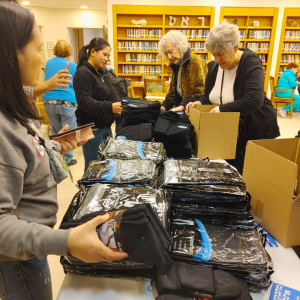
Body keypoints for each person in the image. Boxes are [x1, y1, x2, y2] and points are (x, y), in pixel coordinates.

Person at [0, 3, 127, 300]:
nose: (42, 62)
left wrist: (53, 145)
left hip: (29, 248)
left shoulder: (13, 109)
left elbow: (22, 156)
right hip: (19, 257)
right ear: (10, 56)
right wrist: (66, 241)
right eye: (35, 48)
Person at [186, 20, 280, 175]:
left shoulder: (250, 62)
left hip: (254, 129)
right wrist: (199, 102)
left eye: (221, 54)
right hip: (228, 131)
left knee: (247, 175)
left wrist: (219, 110)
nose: (217, 59)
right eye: (214, 54)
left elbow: (254, 99)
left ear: (235, 47)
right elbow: (210, 97)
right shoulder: (215, 67)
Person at [74, 38, 123, 171]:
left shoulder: (102, 72)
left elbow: (112, 92)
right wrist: (110, 107)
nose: (107, 59)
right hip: (92, 129)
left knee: (105, 166)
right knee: (93, 169)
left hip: (105, 127)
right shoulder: (83, 73)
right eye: (105, 54)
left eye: (108, 56)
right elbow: (85, 102)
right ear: (93, 52)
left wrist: (120, 103)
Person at [43, 40, 78, 166]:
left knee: (58, 131)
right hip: (67, 101)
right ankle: (67, 159)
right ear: (69, 52)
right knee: (69, 132)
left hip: (48, 100)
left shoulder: (48, 62)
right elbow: (76, 85)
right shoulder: (72, 65)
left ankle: (57, 157)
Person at [157, 30, 208, 112]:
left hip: (194, 111)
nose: (169, 57)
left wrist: (182, 106)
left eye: (170, 51)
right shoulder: (177, 64)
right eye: (166, 54)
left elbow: (199, 91)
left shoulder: (194, 61)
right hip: (184, 109)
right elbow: (173, 93)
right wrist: (163, 107)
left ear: (180, 47)